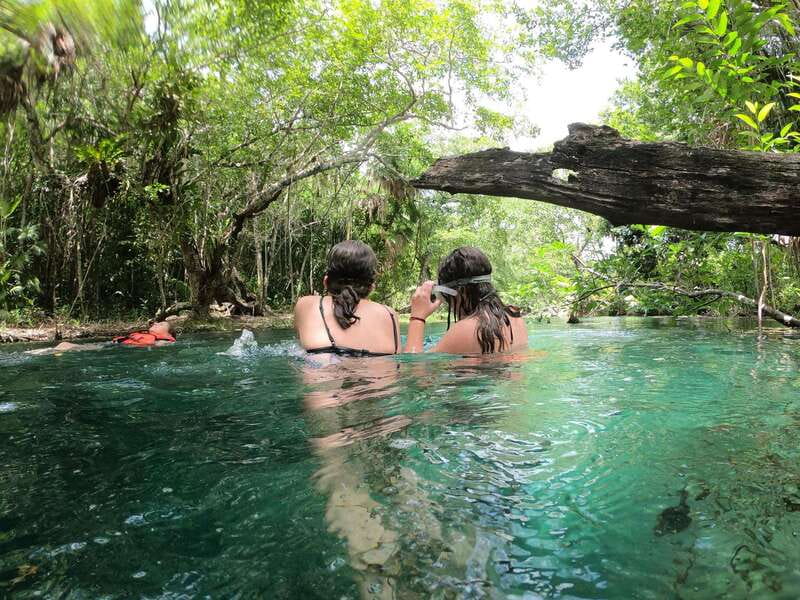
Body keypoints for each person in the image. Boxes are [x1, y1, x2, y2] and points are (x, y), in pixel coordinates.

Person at [405, 246, 528, 354]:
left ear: (459, 292)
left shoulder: (465, 330)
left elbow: (414, 370)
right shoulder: (514, 317)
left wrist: (417, 317)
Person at [294, 240, 400, 358]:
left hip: (324, 372)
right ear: (371, 287)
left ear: (326, 281)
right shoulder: (390, 315)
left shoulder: (307, 305)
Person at [25, 320, 177, 355]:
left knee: (65, 345)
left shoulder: (164, 341)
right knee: (64, 345)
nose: (155, 323)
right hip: (113, 346)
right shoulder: (152, 337)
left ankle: (41, 353)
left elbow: (164, 346)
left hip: (115, 348)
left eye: (161, 323)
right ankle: (46, 352)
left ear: (168, 333)